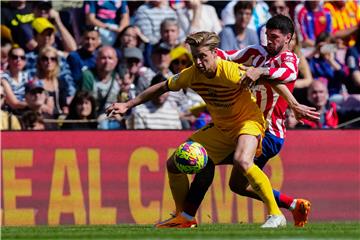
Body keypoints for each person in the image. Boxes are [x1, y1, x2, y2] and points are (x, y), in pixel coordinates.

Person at [106, 31, 316, 228]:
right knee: (174, 163)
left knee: (243, 161)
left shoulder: (231, 71)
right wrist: (127, 105)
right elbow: (162, 87)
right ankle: (184, 217)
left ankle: (276, 215)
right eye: (195, 57)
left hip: (248, 122)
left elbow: (270, 79)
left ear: (215, 54)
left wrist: (294, 104)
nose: (198, 62)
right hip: (221, 128)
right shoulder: (191, 74)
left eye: (203, 57)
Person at [215, 15, 320, 227]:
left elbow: (286, 74)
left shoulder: (290, 60)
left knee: (210, 159)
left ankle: (275, 215)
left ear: (287, 38)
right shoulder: (257, 52)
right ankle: (293, 205)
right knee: (236, 185)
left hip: (269, 133)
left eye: (274, 37)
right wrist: (207, 50)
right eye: (267, 35)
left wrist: (258, 71)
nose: (269, 41)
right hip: (248, 127)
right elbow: (227, 56)